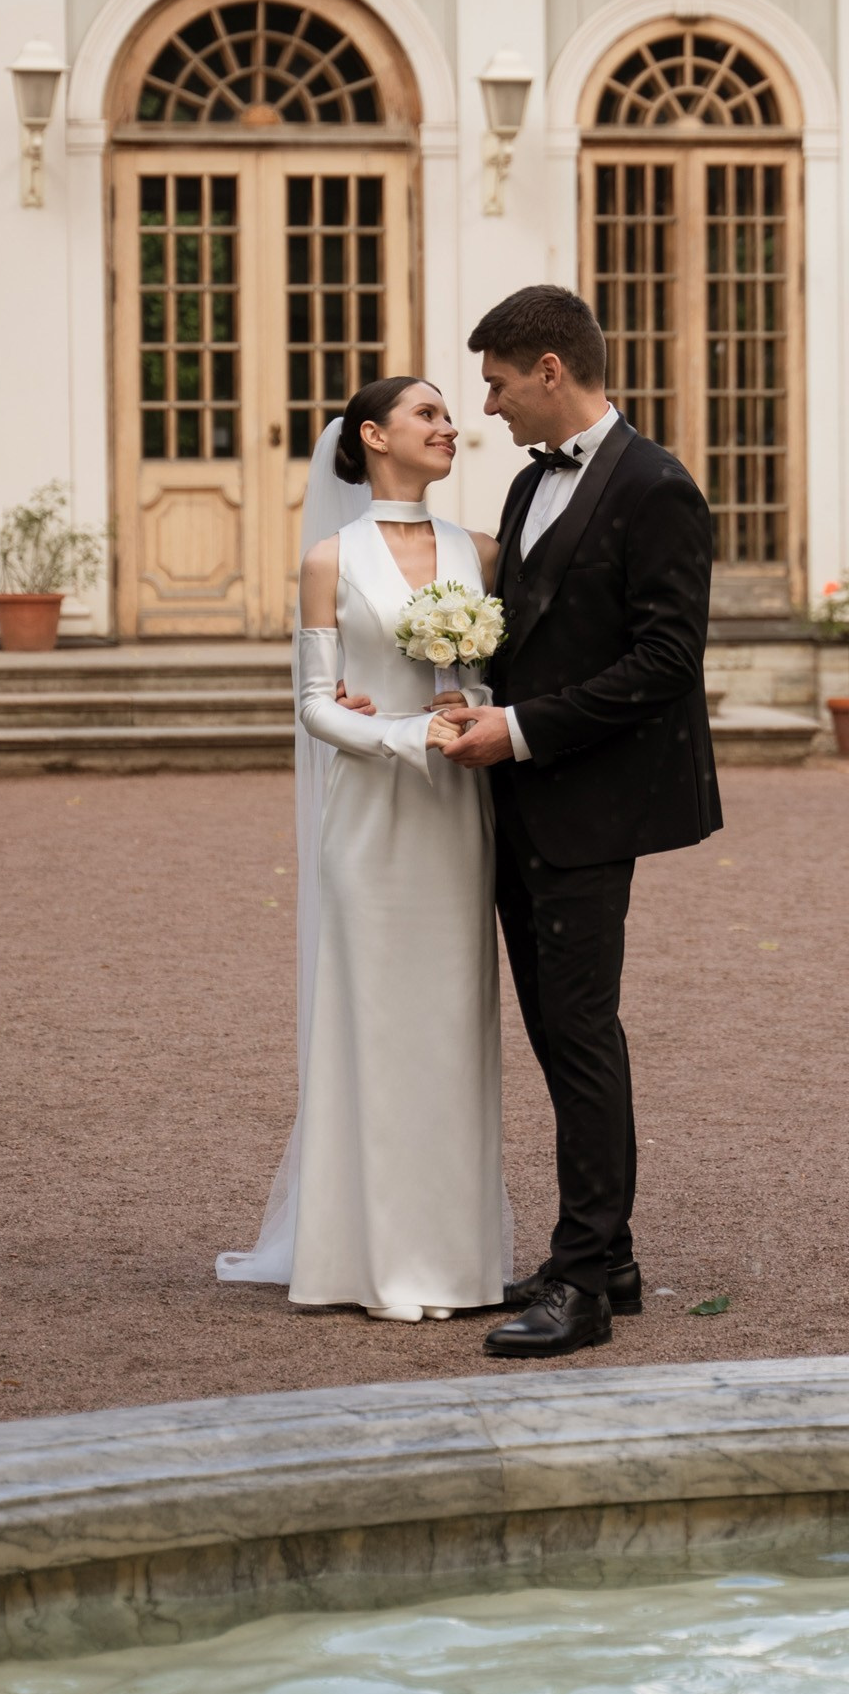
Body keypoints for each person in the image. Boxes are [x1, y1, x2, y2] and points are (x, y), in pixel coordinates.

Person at [435, 285, 720, 1358]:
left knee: (582, 1034)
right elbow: (530, 633)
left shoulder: (656, 485)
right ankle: (612, 1256)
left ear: (550, 369)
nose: (490, 406)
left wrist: (521, 729)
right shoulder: (523, 486)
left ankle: (586, 1285)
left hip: (591, 798)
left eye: (500, 383)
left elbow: (664, 661)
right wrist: (473, 697)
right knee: (559, 1030)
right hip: (524, 791)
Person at [215, 376, 509, 1322]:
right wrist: (395, 733)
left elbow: (489, 675)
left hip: (456, 818)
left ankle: (458, 1259)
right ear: (374, 435)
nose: (449, 426)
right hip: (369, 820)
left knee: (453, 1027)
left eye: (449, 414)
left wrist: (466, 709)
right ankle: (366, 1259)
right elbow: (310, 703)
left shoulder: (483, 552)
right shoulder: (328, 559)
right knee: (372, 1026)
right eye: (428, 414)